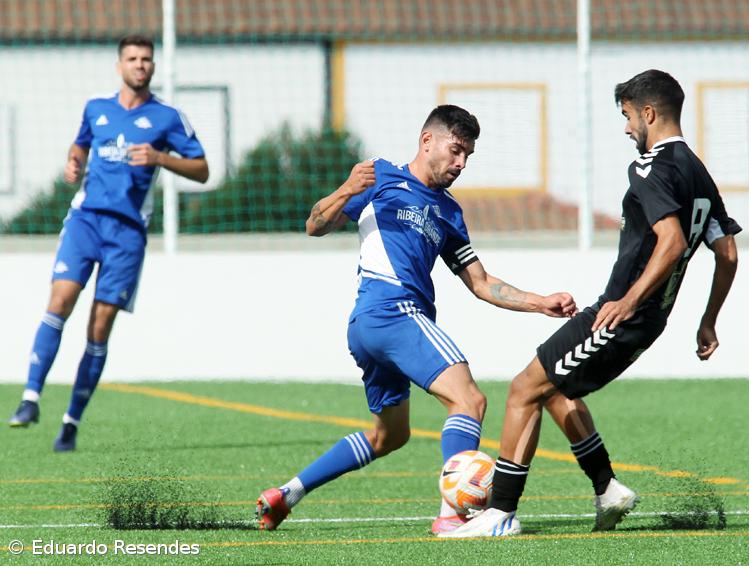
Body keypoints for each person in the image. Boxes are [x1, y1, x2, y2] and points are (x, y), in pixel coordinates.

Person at [443, 69, 741, 538]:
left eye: (626, 117)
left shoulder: (650, 166)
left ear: (648, 113)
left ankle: (499, 513)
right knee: (558, 389)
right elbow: (726, 251)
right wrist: (708, 321)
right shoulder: (697, 172)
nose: (626, 128)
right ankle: (607, 489)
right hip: (644, 317)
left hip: (625, 314)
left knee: (524, 389)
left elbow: (671, 240)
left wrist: (627, 301)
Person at [255, 105, 578, 533]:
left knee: (389, 436)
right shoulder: (381, 176)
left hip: (372, 327)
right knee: (470, 400)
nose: (461, 163)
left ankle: (286, 494)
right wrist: (346, 188)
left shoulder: (449, 213)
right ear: (427, 141)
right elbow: (316, 224)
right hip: (391, 310)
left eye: (468, 156)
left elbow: (481, 283)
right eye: (456, 150)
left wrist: (540, 302)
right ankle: (453, 516)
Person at [7, 34, 208, 452]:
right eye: (133, 59)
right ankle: (30, 398)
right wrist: (74, 160)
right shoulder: (96, 107)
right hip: (86, 221)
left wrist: (160, 158)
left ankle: (70, 422)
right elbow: (80, 142)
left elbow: (202, 169)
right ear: (119, 66)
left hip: (128, 234)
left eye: (146, 59)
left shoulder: (168, 117)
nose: (140, 65)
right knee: (60, 301)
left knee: (98, 327)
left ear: (153, 67)